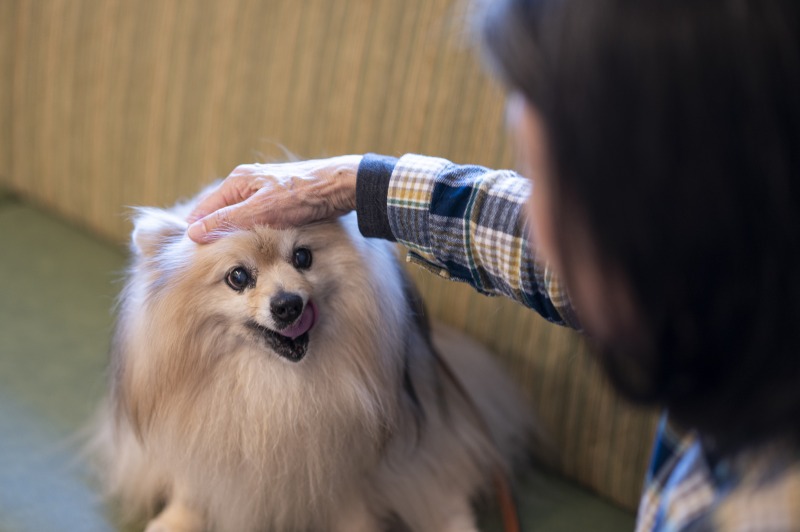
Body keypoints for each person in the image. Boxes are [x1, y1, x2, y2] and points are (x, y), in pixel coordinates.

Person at [187, 0, 800, 530]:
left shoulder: (756, 511)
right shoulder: (736, 277)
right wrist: (358, 183)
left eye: (550, 187)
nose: (538, 232)